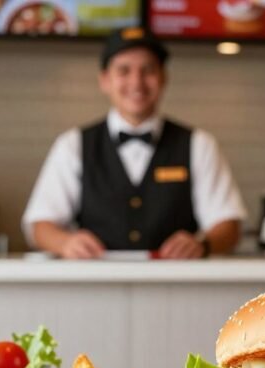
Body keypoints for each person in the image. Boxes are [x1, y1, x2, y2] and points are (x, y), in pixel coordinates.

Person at [22, 28, 246, 259]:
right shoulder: (72, 144)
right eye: (124, 70)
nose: (136, 82)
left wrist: (203, 243)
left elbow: (229, 226)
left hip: (178, 288)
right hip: (94, 286)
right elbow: (40, 225)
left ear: (163, 78)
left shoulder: (199, 144)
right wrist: (65, 242)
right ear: (105, 81)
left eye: (148, 70)